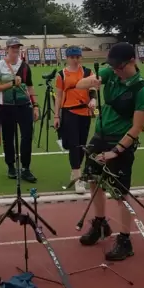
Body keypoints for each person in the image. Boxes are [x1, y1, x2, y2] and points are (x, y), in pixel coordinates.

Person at [75, 42, 144, 261]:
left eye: (119, 67)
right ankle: (100, 223)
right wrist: (93, 82)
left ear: (131, 62)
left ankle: (125, 240)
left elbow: (137, 128)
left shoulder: (142, 89)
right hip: (99, 135)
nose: (115, 71)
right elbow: (80, 84)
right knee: (92, 178)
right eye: (113, 67)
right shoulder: (110, 72)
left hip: (120, 142)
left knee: (120, 192)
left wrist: (116, 151)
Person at [0, 37, 39, 182]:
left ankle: (26, 168)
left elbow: (30, 86)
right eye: (13, 48)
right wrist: (10, 84)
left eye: (17, 48)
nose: (15, 50)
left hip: (24, 106)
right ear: (7, 49)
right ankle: (11, 166)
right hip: (6, 107)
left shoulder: (25, 66)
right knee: (8, 138)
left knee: (27, 136)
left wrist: (35, 105)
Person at [53, 46, 97, 194]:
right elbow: (58, 96)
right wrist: (56, 115)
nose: (75, 60)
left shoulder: (87, 72)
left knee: (82, 145)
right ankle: (78, 177)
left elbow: (93, 88)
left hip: (84, 112)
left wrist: (93, 100)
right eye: (72, 57)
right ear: (67, 58)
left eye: (77, 57)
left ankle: (76, 171)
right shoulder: (61, 75)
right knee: (74, 145)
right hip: (69, 112)